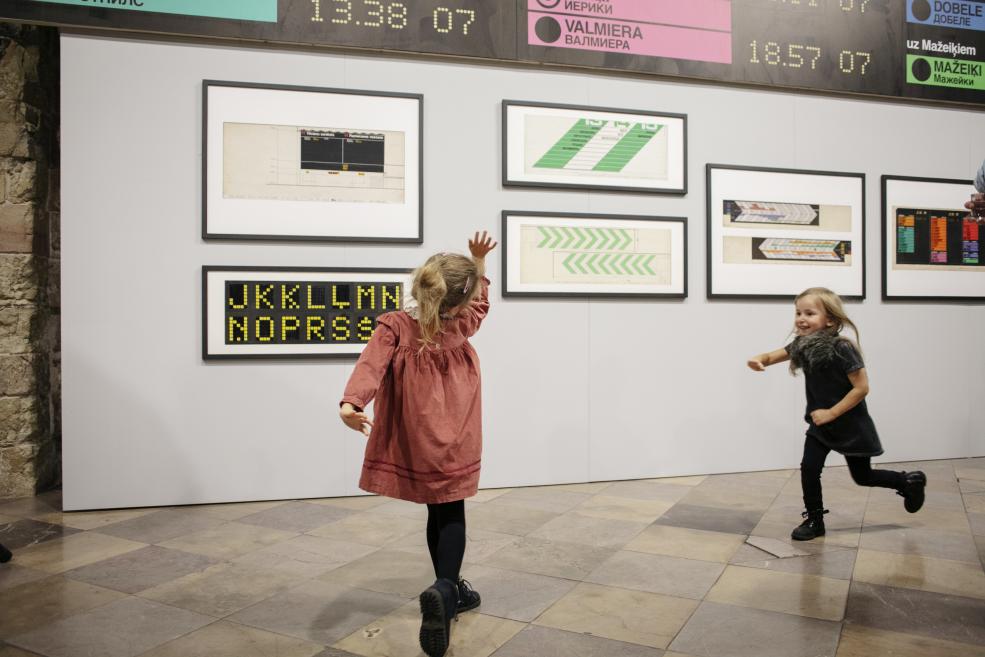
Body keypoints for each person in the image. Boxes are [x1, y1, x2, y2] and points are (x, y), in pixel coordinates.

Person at [339, 231, 496, 657]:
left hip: (417, 438)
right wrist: (479, 261)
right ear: (458, 302)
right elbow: (479, 301)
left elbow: (370, 366)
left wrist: (352, 403)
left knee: (435, 508)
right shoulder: (462, 325)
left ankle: (447, 590)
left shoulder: (395, 325)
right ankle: (447, 589)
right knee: (453, 510)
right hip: (458, 436)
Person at [747, 287, 926, 541]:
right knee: (809, 468)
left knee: (863, 477)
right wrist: (759, 359)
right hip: (820, 425)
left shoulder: (842, 348)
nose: (801, 318)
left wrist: (832, 412)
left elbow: (861, 388)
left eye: (809, 313)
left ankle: (908, 482)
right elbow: (772, 355)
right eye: (798, 312)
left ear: (829, 319)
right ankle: (815, 520)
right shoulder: (802, 344)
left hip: (850, 425)